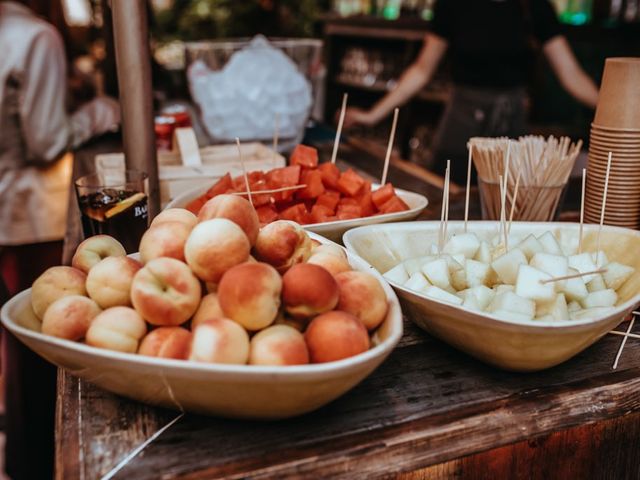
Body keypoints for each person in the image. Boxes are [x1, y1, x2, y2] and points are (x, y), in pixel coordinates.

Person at [0, 1, 120, 478]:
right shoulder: (35, 36)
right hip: (31, 214)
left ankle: (21, 457)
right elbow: (47, 141)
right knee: (39, 344)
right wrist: (101, 111)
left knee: (14, 342)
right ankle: (40, 460)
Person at [343, 0, 599, 184]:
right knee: (448, 201)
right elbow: (422, 70)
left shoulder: (534, 6)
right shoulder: (454, 5)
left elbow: (570, 74)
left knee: (506, 211)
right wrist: (373, 115)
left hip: (510, 130)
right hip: (461, 125)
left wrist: (616, 112)